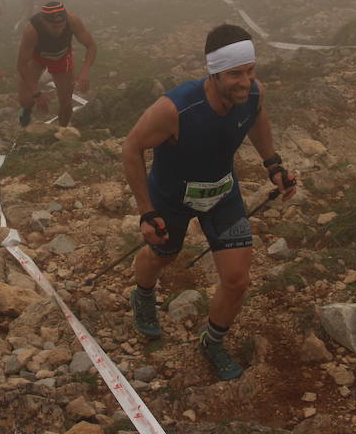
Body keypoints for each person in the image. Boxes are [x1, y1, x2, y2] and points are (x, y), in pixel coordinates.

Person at [121, 24, 295, 381]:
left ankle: (212, 342)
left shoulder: (254, 94)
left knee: (236, 280)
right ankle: (143, 295)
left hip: (221, 195)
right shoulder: (175, 109)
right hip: (170, 198)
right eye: (235, 74)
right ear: (213, 73)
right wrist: (146, 212)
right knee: (161, 256)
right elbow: (131, 148)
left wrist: (273, 163)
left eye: (250, 71)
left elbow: (256, 118)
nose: (245, 82)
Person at [16, 1, 96, 127]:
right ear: (44, 22)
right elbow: (21, 65)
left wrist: (85, 71)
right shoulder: (32, 30)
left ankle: (62, 131)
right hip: (37, 58)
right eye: (54, 27)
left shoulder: (73, 21)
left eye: (61, 25)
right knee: (25, 99)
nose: (58, 30)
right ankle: (27, 110)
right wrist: (36, 93)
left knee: (66, 103)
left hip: (61, 57)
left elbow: (91, 46)